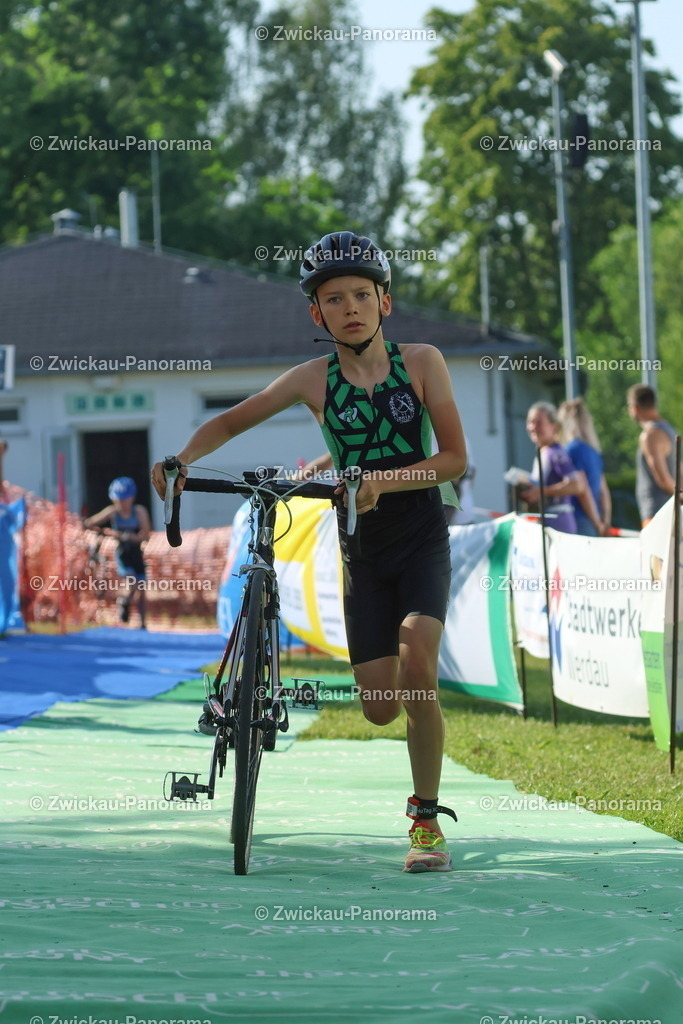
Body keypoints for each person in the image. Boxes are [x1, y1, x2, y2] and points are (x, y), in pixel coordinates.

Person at [152, 230, 467, 873]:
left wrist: (383, 480)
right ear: (316, 314)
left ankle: (426, 821)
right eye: (334, 299)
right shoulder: (312, 380)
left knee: (418, 663)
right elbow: (231, 420)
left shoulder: (424, 361)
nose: (350, 307)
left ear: (385, 300)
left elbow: (455, 459)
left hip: (421, 537)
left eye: (361, 294)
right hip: (361, 547)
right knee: (380, 708)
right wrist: (181, 460)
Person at [520, 402, 601, 535]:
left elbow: (577, 485)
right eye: (530, 422)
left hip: (558, 522)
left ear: (554, 426)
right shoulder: (543, 451)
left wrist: (541, 492)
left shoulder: (556, 453)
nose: (533, 427)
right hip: (548, 521)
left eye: (539, 422)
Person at [84, 477, 151, 627]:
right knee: (131, 580)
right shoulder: (112, 512)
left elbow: (145, 536)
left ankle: (143, 623)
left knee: (141, 588)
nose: (121, 504)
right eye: (118, 500)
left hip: (136, 553)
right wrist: (102, 531)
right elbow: (89, 523)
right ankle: (124, 601)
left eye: (124, 500)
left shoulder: (139, 511)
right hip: (123, 554)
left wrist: (128, 536)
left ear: (132, 498)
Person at [626, 384, 679, 527]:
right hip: (671, 512)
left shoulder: (650, 435)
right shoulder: (671, 431)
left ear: (635, 407)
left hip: (657, 513)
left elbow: (664, 480)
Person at [558, 399, 611, 537]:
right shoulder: (594, 452)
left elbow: (582, 491)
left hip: (581, 519)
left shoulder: (571, 450)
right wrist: (604, 521)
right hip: (595, 519)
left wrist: (597, 523)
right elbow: (603, 492)